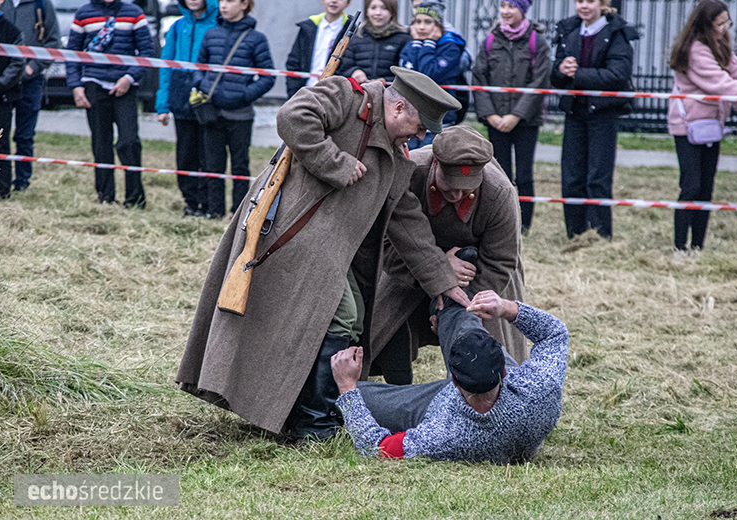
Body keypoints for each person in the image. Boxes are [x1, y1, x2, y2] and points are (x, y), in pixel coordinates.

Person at [177, 66, 467, 442]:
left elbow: (406, 220)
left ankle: (311, 414)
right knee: (344, 316)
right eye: (420, 127)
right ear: (398, 110)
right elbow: (293, 117)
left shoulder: (396, 155)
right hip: (288, 234)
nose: (420, 136)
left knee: (355, 318)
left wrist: (442, 283)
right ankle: (314, 425)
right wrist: (336, 163)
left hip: (329, 251)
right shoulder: (346, 97)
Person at [369, 125, 527, 385]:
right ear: (435, 164)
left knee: (486, 345)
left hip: (478, 279)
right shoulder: (408, 174)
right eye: (450, 185)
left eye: (467, 188)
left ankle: (496, 395)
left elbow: (501, 261)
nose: (457, 194)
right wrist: (440, 271)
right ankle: (392, 387)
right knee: (382, 325)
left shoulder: (499, 193)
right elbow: (385, 244)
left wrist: (456, 309)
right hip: (411, 265)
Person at [332, 290, 568, 463]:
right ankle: (447, 296)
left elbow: (378, 448)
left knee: (336, 394)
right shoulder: (539, 387)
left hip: (438, 407)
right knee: (461, 313)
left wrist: (347, 387)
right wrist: (506, 307)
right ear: (504, 370)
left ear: (453, 381)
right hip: (488, 397)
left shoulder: (443, 434)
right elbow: (554, 334)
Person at [668, 0, 737, 252]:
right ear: (705, 25)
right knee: (691, 186)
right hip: (688, 127)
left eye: (726, 22)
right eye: (719, 24)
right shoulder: (696, 50)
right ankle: (679, 248)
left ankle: (697, 246)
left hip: (711, 126)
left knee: (706, 187)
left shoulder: (719, 46)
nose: (724, 28)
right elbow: (723, 85)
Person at [551, 0, 637, 240]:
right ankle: (574, 234)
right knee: (571, 178)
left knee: (597, 178)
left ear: (602, 4)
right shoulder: (568, 30)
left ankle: (600, 235)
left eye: (590, 1)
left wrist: (577, 74)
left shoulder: (616, 33)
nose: (583, 6)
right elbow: (556, 76)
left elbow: (618, 75)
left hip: (603, 115)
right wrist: (560, 69)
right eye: (579, 1)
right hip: (574, 114)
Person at [66, 0, 155, 208]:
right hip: (93, 85)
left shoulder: (134, 13)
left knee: (129, 142)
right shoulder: (83, 14)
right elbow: (71, 53)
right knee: (100, 143)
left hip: (125, 86)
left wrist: (129, 78)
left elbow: (146, 52)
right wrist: (75, 86)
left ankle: (134, 199)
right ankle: (105, 197)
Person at [472, 0, 551, 233]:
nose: (506, 11)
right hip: (495, 119)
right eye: (503, 6)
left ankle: (524, 224)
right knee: (498, 173)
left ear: (523, 10)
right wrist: (490, 114)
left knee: (524, 174)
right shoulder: (490, 39)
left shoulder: (538, 41)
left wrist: (516, 115)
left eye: (512, 7)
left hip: (526, 121)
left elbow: (541, 80)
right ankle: (501, 224)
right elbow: (479, 77)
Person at [192, 0, 275, 219]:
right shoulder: (211, 34)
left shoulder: (257, 39)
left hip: (240, 115)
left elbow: (268, 77)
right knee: (212, 165)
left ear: (244, 4)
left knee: (240, 166)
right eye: (221, 1)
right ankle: (214, 210)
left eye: (230, 1)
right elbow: (199, 67)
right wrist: (202, 85)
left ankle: (239, 213)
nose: (223, 5)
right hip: (212, 112)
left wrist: (244, 96)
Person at [155, 0, 219, 217]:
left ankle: (206, 203)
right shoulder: (177, 27)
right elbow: (166, 66)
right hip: (181, 99)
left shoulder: (217, 25)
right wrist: (162, 104)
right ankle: (190, 202)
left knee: (207, 155)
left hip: (207, 100)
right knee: (185, 155)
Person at [2, 0, 60, 193]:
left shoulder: (42, 5)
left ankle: (22, 181)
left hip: (30, 80)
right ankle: (2, 180)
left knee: (24, 135)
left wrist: (32, 67)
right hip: (4, 81)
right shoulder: (2, 3)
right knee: (1, 134)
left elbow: (53, 41)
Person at [399, 1, 465, 148]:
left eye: (428, 22)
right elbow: (407, 76)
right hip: (410, 118)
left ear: (439, 25)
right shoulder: (410, 46)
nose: (421, 27)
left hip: (438, 119)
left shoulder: (450, 48)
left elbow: (427, 75)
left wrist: (428, 43)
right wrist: (418, 44)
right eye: (418, 22)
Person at [285, 0, 351, 99]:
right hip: (304, 91)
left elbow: (349, 65)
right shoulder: (308, 27)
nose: (334, 1)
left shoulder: (351, 30)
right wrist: (294, 94)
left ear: (348, 3)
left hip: (333, 96)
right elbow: (294, 62)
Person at [337, 0, 410, 85]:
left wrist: (386, 80)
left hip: (389, 93)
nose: (378, 13)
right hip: (359, 92)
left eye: (384, 8)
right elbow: (342, 68)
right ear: (367, 11)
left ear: (392, 12)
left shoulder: (404, 39)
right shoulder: (356, 37)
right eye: (373, 8)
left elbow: (407, 73)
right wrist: (354, 71)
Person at [0, 0, 24, 200]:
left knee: (0, 144)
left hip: (2, 97)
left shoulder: (12, 31)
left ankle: (2, 189)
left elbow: (17, 62)